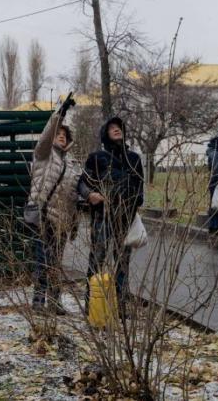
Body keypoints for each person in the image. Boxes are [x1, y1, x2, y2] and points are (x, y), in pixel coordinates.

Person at [77, 117, 144, 314]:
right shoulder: (97, 157)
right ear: (105, 133)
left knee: (123, 262)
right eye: (112, 128)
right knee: (97, 259)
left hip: (126, 218)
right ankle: (92, 304)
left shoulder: (134, 159)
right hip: (102, 217)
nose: (116, 130)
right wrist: (90, 195)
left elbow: (140, 187)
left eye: (119, 127)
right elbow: (82, 183)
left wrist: (135, 201)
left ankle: (121, 305)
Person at [27, 95, 80, 314]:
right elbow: (45, 137)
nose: (60, 137)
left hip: (61, 223)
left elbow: (73, 196)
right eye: (58, 134)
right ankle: (39, 301)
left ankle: (55, 303)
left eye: (63, 136)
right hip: (43, 216)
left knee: (56, 263)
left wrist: (73, 225)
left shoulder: (73, 165)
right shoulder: (43, 155)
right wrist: (61, 113)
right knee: (43, 260)